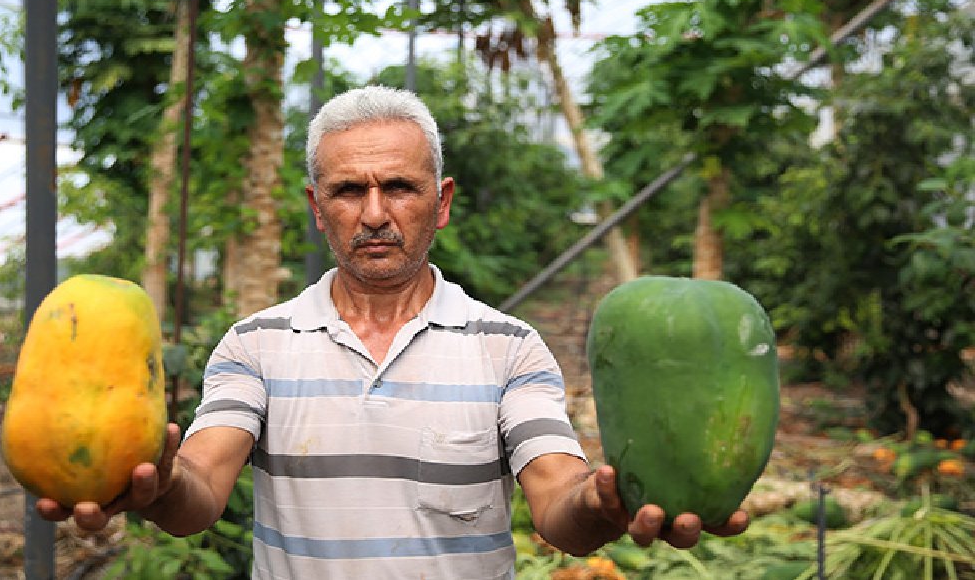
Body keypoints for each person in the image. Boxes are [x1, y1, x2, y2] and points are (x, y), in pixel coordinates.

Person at [38, 85, 749, 577]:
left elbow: (559, 504)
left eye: (400, 188)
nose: (374, 213)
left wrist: (603, 501)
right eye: (349, 190)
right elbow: (200, 491)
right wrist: (159, 483)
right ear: (318, 208)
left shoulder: (507, 347)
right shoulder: (257, 342)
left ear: (440, 203)